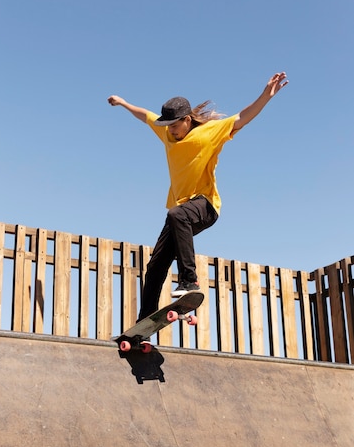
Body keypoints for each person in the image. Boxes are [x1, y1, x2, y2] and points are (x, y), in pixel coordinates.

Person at [108, 72, 288, 321]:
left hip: (206, 205)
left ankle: (189, 280)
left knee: (177, 214)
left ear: (187, 119)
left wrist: (264, 97)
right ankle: (144, 323)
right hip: (180, 215)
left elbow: (241, 118)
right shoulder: (167, 134)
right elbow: (145, 115)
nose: (171, 131)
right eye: (167, 126)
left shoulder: (209, 132)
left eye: (174, 125)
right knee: (156, 265)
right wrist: (123, 103)